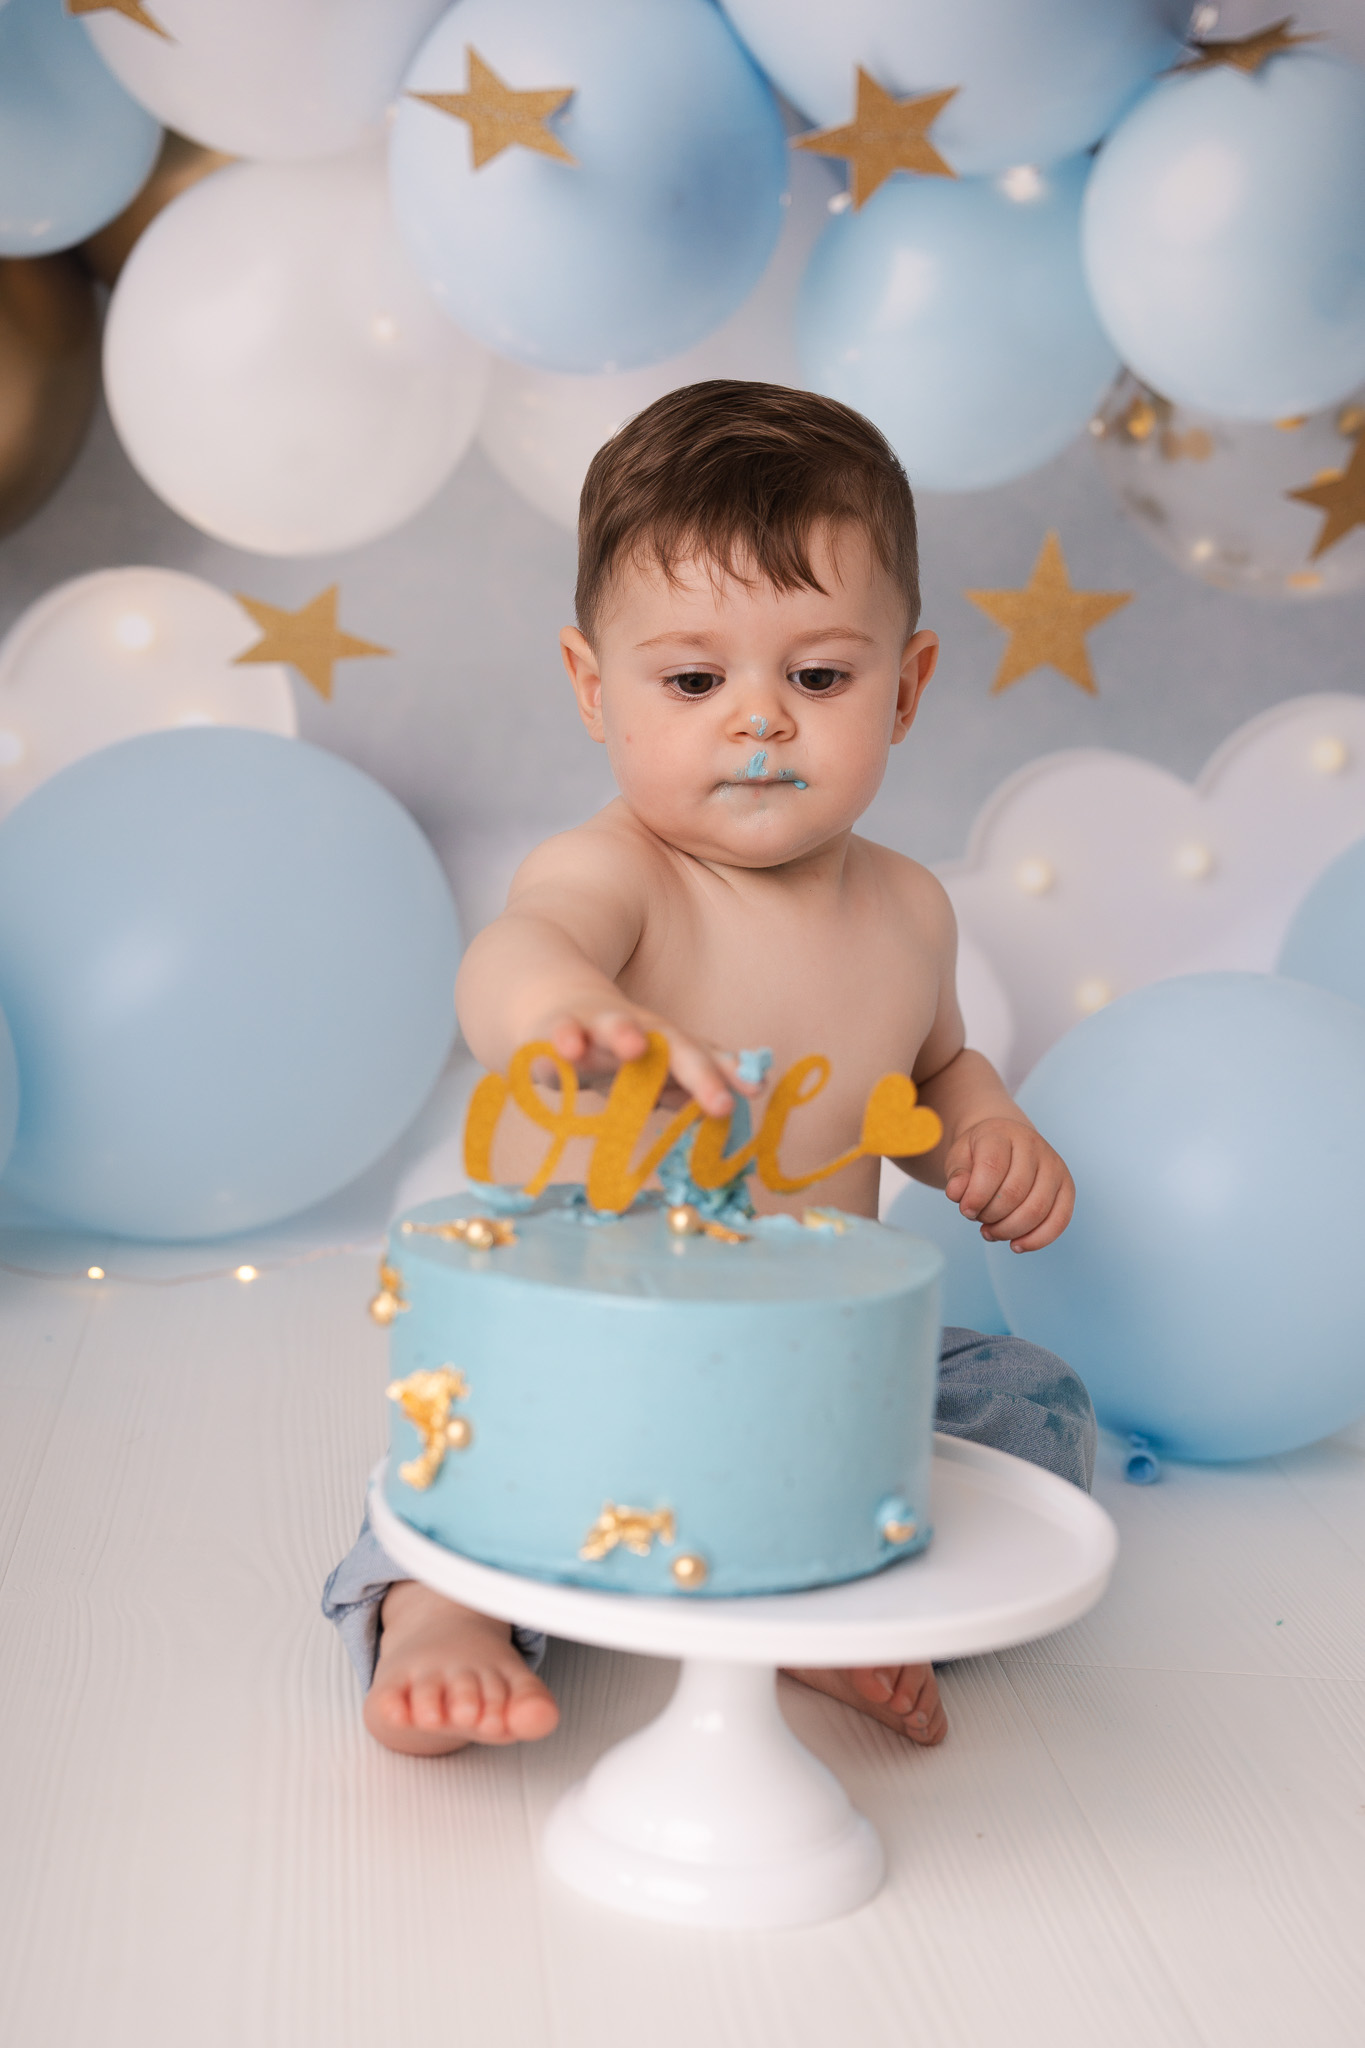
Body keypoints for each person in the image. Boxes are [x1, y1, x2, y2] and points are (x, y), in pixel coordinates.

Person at [324, 381, 1095, 1757]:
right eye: (693, 682)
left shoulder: (909, 909)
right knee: (473, 1438)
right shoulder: (617, 875)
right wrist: (571, 1014)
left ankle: (838, 1601)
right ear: (593, 687)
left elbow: (932, 1077)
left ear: (906, 686)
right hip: (602, 1346)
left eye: (818, 678)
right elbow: (517, 954)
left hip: (814, 1361)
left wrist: (983, 1131)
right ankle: (442, 1614)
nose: (760, 723)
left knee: (1026, 1403)